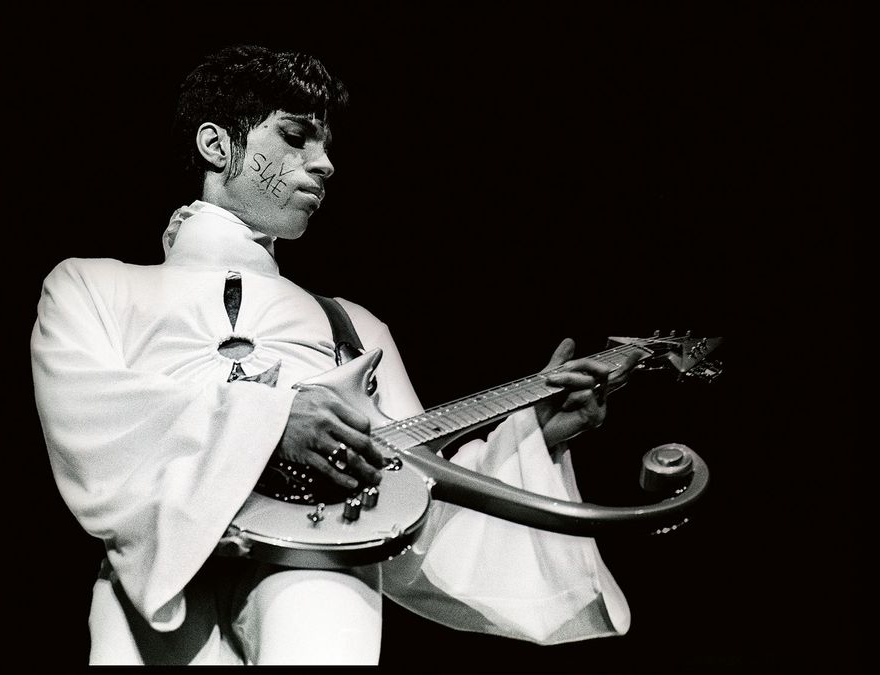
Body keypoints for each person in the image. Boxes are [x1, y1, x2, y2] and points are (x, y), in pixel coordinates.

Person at [31, 44, 634, 666]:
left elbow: (416, 491)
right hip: (153, 572)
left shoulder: (354, 324)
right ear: (216, 146)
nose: (324, 165)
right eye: (296, 137)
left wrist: (529, 433)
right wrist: (269, 421)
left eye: (325, 145)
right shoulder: (90, 284)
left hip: (323, 560)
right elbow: (88, 418)